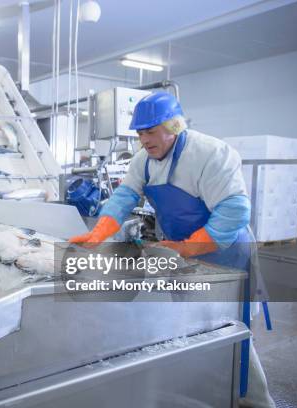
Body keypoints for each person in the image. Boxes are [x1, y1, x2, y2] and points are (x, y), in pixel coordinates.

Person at [69, 92, 274, 408]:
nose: (144, 139)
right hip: (183, 255)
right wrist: (98, 234)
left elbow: (234, 211)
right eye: (139, 133)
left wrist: (187, 248)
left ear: (174, 126)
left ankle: (255, 400)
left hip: (225, 254)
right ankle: (205, 392)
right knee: (191, 326)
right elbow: (124, 198)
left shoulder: (211, 154)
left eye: (150, 131)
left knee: (230, 330)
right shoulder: (144, 162)